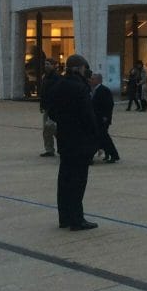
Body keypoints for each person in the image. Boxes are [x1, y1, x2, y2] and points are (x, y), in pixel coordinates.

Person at [44, 54, 99, 230]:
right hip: (80, 140)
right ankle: (77, 219)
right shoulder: (80, 87)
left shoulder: (59, 84)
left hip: (65, 139)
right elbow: (87, 116)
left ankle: (65, 217)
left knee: (65, 179)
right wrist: (95, 137)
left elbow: (50, 111)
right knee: (78, 180)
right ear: (80, 68)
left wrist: (64, 121)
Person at [89, 72, 119, 163]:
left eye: (93, 79)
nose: (91, 80)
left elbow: (109, 104)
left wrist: (106, 116)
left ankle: (113, 154)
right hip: (97, 118)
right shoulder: (94, 90)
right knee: (103, 137)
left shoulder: (104, 90)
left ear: (98, 80)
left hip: (102, 119)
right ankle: (110, 154)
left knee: (102, 137)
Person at [39, 63, 60, 156]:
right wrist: (41, 105)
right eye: (45, 63)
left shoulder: (56, 77)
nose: (46, 65)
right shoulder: (45, 77)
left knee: (53, 128)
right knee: (46, 130)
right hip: (46, 107)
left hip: (54, 107)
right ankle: (49, 149)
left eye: (48, 64)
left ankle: (62, 147)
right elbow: (43, 93)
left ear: (53, 65)